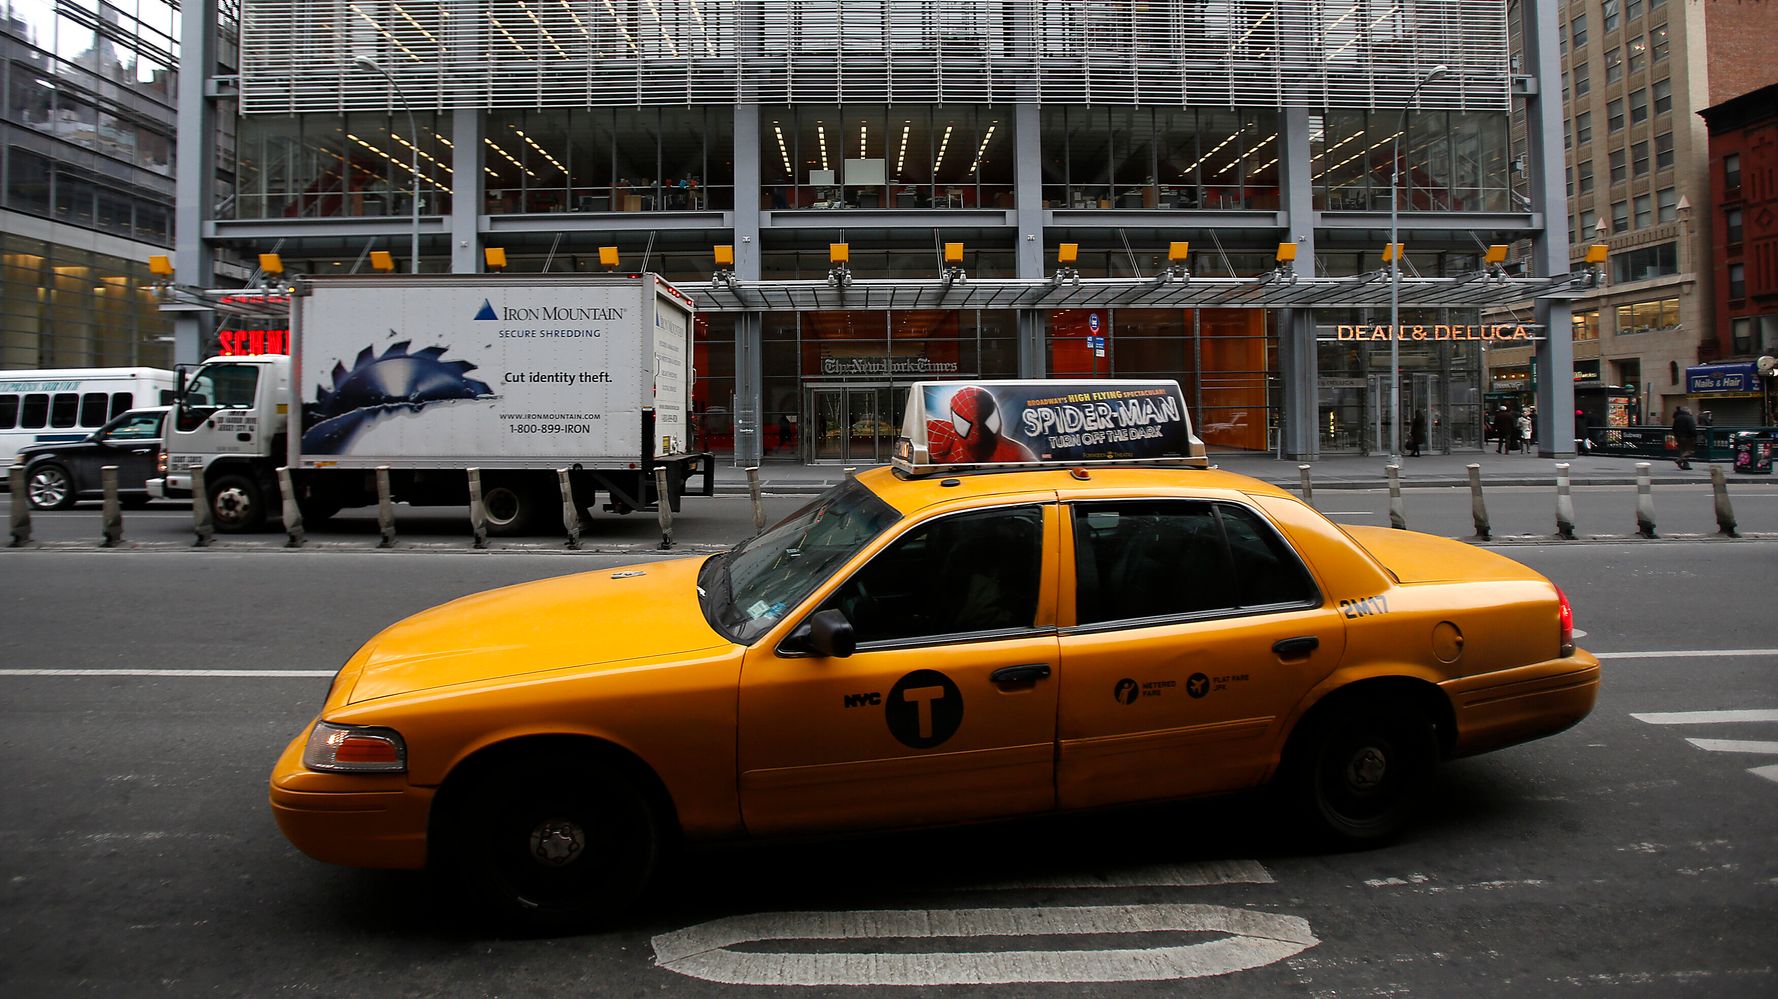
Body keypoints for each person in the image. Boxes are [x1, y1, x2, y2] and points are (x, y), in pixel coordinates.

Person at [1671, 405, 1697, 470]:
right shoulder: (1689, 418)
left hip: (1678, 436)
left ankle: (1685, 464)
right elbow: (1692, 428)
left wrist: (1676, 435)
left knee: (1682, 451)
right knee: (1690, 451)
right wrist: (1694, 435)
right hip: (1688, 437)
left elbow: (1674, 428)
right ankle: (1679, 460)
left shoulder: (1677, 418)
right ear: (1688, 411)